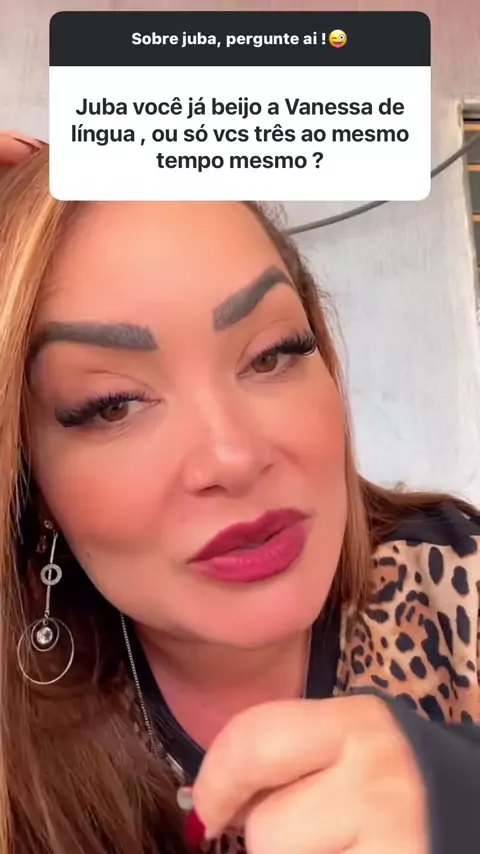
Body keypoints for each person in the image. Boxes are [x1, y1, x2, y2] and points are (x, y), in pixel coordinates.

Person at [1, 131, 480, 854]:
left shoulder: (456, 586)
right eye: (112, 404)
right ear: (29, 478)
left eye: (272, 354)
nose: (235, 456)